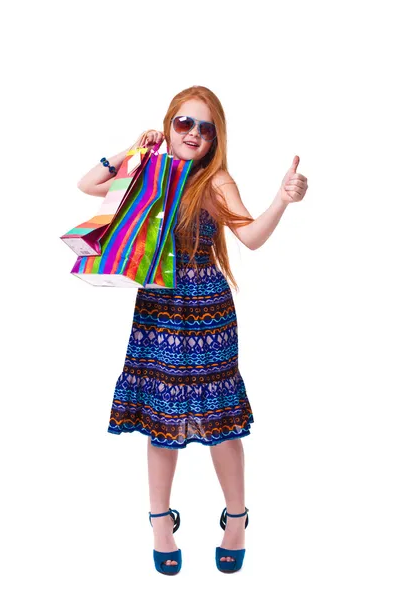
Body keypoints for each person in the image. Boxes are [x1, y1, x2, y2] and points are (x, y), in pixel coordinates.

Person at [77, 85, 308, 575]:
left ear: (215, 137)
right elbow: (89, 183)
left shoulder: (216, 180)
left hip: (207, 314)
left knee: (221, 423)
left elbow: (251, 236)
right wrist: (135, 150)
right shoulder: (148, 171)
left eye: (205, 127)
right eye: (184, 123)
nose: (194, 134)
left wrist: (281, 200)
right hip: (157, 309)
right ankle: (161, 523)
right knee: (162, 423)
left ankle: (238, 519)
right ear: (168, 125)